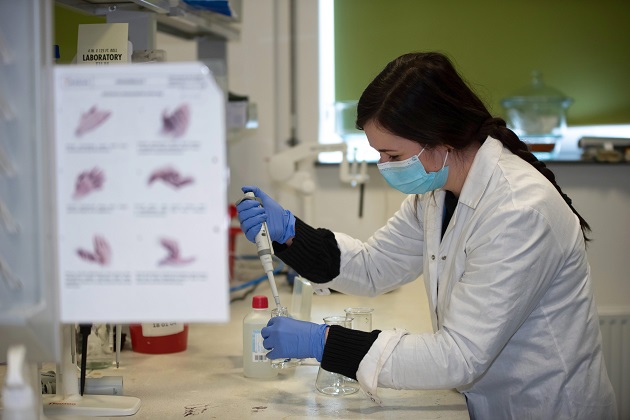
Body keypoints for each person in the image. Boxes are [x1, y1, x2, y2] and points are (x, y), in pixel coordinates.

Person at [236, 52, 617, 419]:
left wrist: (323, 343)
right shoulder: (438, 190)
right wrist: (290, 233)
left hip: (546, 406)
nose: (383, 167)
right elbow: (374, 267)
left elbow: (459, 356)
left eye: (392, 155)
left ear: (440, 139)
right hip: (487, 400)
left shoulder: (518, 211)